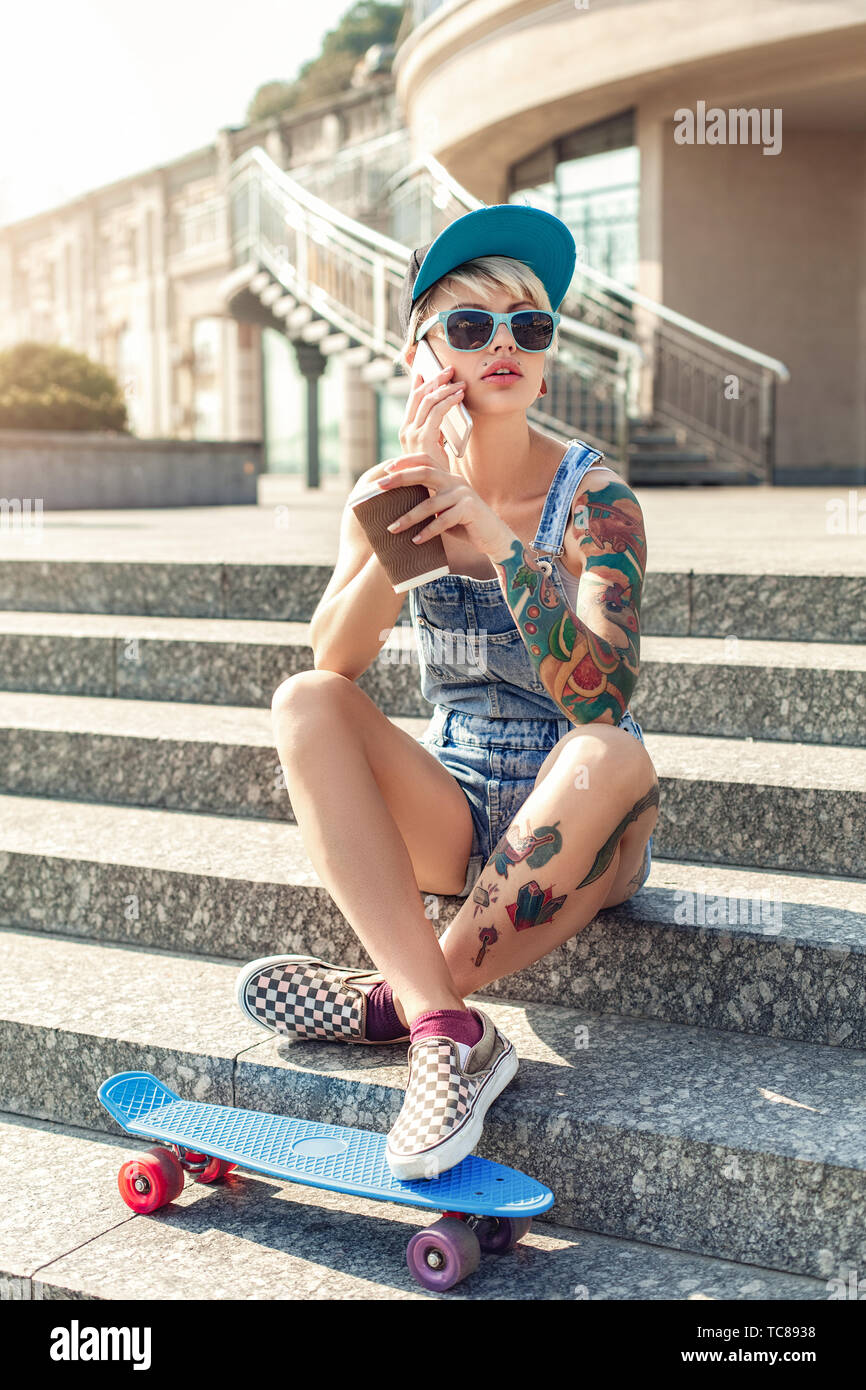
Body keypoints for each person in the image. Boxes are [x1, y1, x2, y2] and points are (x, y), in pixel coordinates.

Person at [235, 203, 660, 1181]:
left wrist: (503, 541)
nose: (502, 345)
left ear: (549, 350)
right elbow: (332, 661)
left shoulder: (596, 499)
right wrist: (410, 522)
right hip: (460, 809)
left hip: (587, 816)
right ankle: (446, 1027)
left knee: (607, 749)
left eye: (528, 324)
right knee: (301, 700)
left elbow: (599, 696)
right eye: (468, 327)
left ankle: (393, 1004)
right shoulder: (388, 492)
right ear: (424, 355)